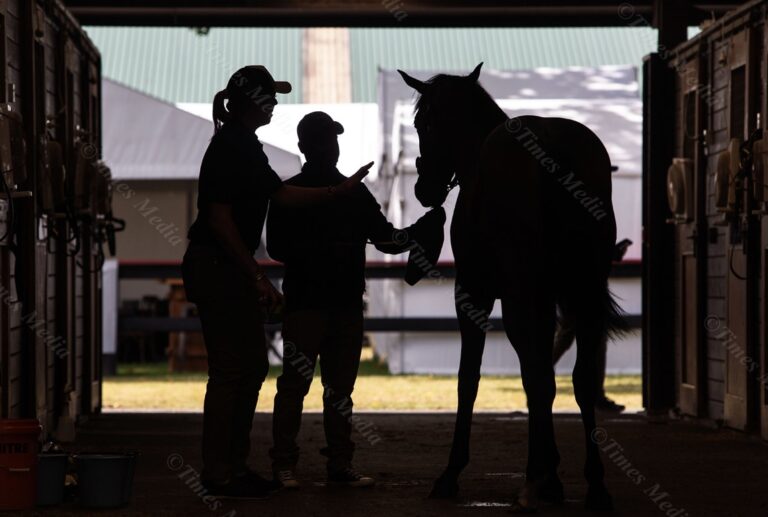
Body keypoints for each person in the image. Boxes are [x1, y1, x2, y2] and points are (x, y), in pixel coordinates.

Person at [181, 67, 372, 500]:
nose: (275, 103)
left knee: (245, 369)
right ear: (251, 101)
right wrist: (255, 274)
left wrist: (333, 194)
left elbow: (278, 195)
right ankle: (221, 471)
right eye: (269, 97)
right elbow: (220, 218)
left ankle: (230, 467)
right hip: (220, 267)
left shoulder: (241, 144)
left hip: (223, 267)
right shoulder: (235, 146)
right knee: (235, 370)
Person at [267, 111, 444, 489]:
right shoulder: (317, 192)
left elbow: (383, 238)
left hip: (327, 304)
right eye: (324, 140)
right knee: (313, 388)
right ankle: (313, 464)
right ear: (306, 147)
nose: (330, 147)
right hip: (321, 304)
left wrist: (414, 234)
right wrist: (413, 236)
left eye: (331, 140)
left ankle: (306, 465)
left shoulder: (296, 192)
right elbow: (282, 247)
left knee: (316, 388)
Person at [552, 238, 633, 413]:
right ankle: (597, 396)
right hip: (585, 282)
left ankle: (538, 376)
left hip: (571, 281)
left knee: (568, 334)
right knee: (591, 337)